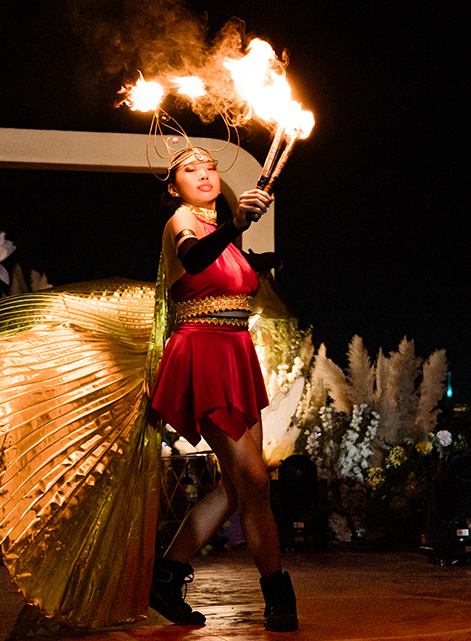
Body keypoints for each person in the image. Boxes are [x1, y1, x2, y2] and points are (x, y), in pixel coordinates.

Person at [146, 146, 299, 633]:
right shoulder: (181, 222)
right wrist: (238, 223)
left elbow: (236, 267)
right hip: (203, 356)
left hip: (236, 353)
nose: (204, 175)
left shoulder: (222, 234)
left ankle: (166, 577)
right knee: (253, 480)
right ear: (174, 187)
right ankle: (276, 592)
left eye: (210, 167)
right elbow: (194, 261)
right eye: (190, 171)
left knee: (239, 489)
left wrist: (246, 236)